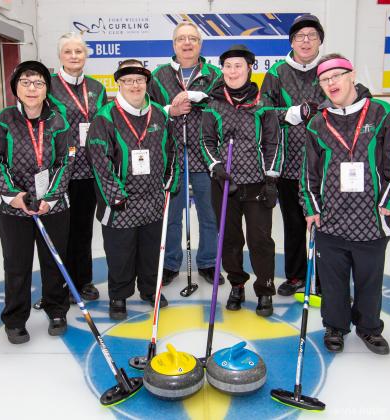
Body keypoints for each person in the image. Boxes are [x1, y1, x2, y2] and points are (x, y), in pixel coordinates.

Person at [300, 53, 390, 354]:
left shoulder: (382, 113)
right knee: (332, 280)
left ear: (351, 75)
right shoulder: (318, 123)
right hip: (331, 218)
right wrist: (311, 207)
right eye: (325, 79)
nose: (331, 83)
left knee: (369, 279)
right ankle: (335, 326)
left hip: (371, 217)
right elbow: (309, 172)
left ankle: (369, 328)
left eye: (336, 76)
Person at [0, 61, 73, 343]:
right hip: (15, 207)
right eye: (25, 82)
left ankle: (56, 310)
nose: (32, 88)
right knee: (16, 264)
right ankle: (14, 318)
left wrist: (51, 196)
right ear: (16, 88)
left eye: (38, 83)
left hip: (53, 204)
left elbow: (65, 161)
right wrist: (14, 195)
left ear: (47, 88)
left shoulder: (59, 120)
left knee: (54, 261)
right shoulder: (4, 120)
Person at [86, 60, 179, 320]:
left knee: (151, 250)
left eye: (139, 80)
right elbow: (99, 159)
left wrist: (172, 179)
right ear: (119, 84)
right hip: (120, 202)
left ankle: (150, 290)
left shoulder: (159, 113)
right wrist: (115, 195)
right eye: (128, 81)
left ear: (146, 83)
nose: (134, 85)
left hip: (152, 199)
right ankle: (118, 295)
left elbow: (173, 150)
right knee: (121, 253)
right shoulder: (105, 117)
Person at [201, 45, 282, 316]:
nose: (232, 71)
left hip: (257, 184)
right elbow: (206, 142)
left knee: (260, 240)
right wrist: (216, 167)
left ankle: (265, 289)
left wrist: (271, 180)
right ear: (221, 69)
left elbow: (273, 143)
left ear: (249, 68)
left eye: (238, 66)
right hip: (225, 184)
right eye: (228, 66)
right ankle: (237, 284)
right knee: (230, 240)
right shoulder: (213, 104)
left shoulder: (263, 103)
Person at [33, 32, 107, 310]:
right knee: (55, 233)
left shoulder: (97, 89)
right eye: (68, 52)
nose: (74, 56)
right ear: (60, 56)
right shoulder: (47, 87)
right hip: (57, 172)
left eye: (79, 51)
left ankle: (83, 280)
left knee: (83, 230)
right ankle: (55, 289)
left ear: (86, 56)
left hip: (89, 172)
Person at [148, 21, 224, 285]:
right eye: (182, 39)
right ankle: (170, 263)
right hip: (171, 155)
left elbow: (223, 109)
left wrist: (201, 100)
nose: (187, 43)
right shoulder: (158, 75)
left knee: (209, 213)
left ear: (200, 44)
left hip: (205, 154)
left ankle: (209, 262)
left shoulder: (215, 74)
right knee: (171, 214)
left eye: (193, 38)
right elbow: (146, 110)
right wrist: (170, 109)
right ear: (174, 44)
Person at [262, 14, 325, 296]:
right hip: (288, 163)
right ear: (291, 41)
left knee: (327, 223)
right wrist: (292, 113)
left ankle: (326, 279)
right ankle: (297, 275)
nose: (306, 41)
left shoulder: (328, 69)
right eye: (300, 36)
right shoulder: (277, 72)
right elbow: (262, 113)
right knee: (294, 222)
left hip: (325, 164)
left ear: (320, 41)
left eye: (312, 35)